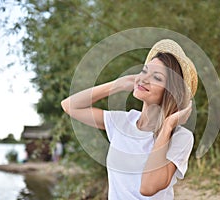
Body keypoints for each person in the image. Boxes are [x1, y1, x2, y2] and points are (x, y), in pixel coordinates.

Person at [61, 39, 198, 199]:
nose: (145, 79)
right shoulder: (122, 122)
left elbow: (148, 187)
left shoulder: (180, 137)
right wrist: (117, 85)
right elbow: (70, 106)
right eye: (144, 71)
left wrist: (167, 125)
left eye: (157, 78)